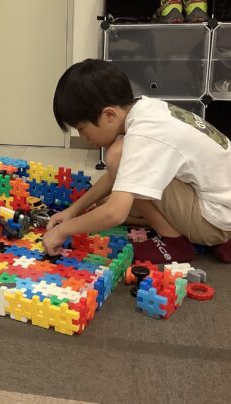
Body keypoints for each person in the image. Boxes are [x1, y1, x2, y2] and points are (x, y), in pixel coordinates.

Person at [43, 59, 231, 264]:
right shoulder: (145, 108)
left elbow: (115, 214)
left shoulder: (144, 134)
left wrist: (62, 231)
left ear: (109, 114)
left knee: (116, 159)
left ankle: (173, 241)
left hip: (214, 220)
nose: (83, 137)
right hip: (218, 204)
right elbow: (123, 175)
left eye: (81, 129)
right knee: (106, 200)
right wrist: (74, 211)